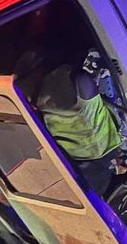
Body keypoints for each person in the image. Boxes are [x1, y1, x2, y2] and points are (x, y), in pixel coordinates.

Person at [35, 58, 122, 194]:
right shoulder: (43, 99)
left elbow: (85, 79)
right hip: (47, 94)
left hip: (74, 95)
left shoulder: (101, 143)